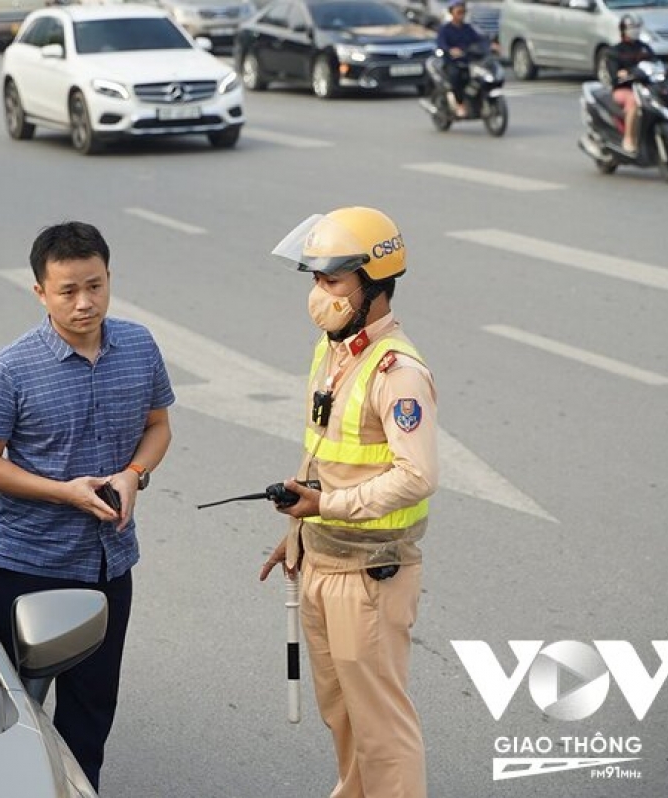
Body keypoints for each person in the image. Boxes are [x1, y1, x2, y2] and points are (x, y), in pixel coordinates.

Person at [0, 221, 174, 792]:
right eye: (67, 291)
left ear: (109, 279)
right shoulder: (12, 367)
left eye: (96, 286)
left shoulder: (139, 346)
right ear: (40, 292)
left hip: (110, 564)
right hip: (29, 565)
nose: (85, 303)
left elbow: (158, 426)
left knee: (91, 709)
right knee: (13, 709)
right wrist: (65, 491)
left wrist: (135, 475)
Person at [259, 207, 438, 798]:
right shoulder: (334, 352)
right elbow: (320, 450)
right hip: (322, 561)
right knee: (341, 714)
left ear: (373, 284)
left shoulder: (397, 372)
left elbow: (417, 477)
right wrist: (299, 533)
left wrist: (326, 506)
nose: (319, 294)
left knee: (381, 728)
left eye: (332, 281)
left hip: (369, 574)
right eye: (315, 279)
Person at [605, 13, 656, 154]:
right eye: (632, 27)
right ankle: (628, 138)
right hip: (624, 90)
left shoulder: (644, 48)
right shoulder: (615, 51)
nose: (635, 30)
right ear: (623, 30)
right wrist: (623, 73)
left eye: (637, 27)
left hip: (645, 87)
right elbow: (614, 75)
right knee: (634, 101)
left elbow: (655, 62)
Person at [436, 0, 486, 117]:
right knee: (456, 77)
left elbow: (479, 39)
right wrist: (450, 50)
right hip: (452, 63)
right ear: (451, 12)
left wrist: (491, 45)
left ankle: (478, 102)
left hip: (468, 62)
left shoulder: (468, 28)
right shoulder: (445, 29)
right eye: (458, 11)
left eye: (463, 11)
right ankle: (459, 104)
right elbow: (441, 43)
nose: (461, 14)